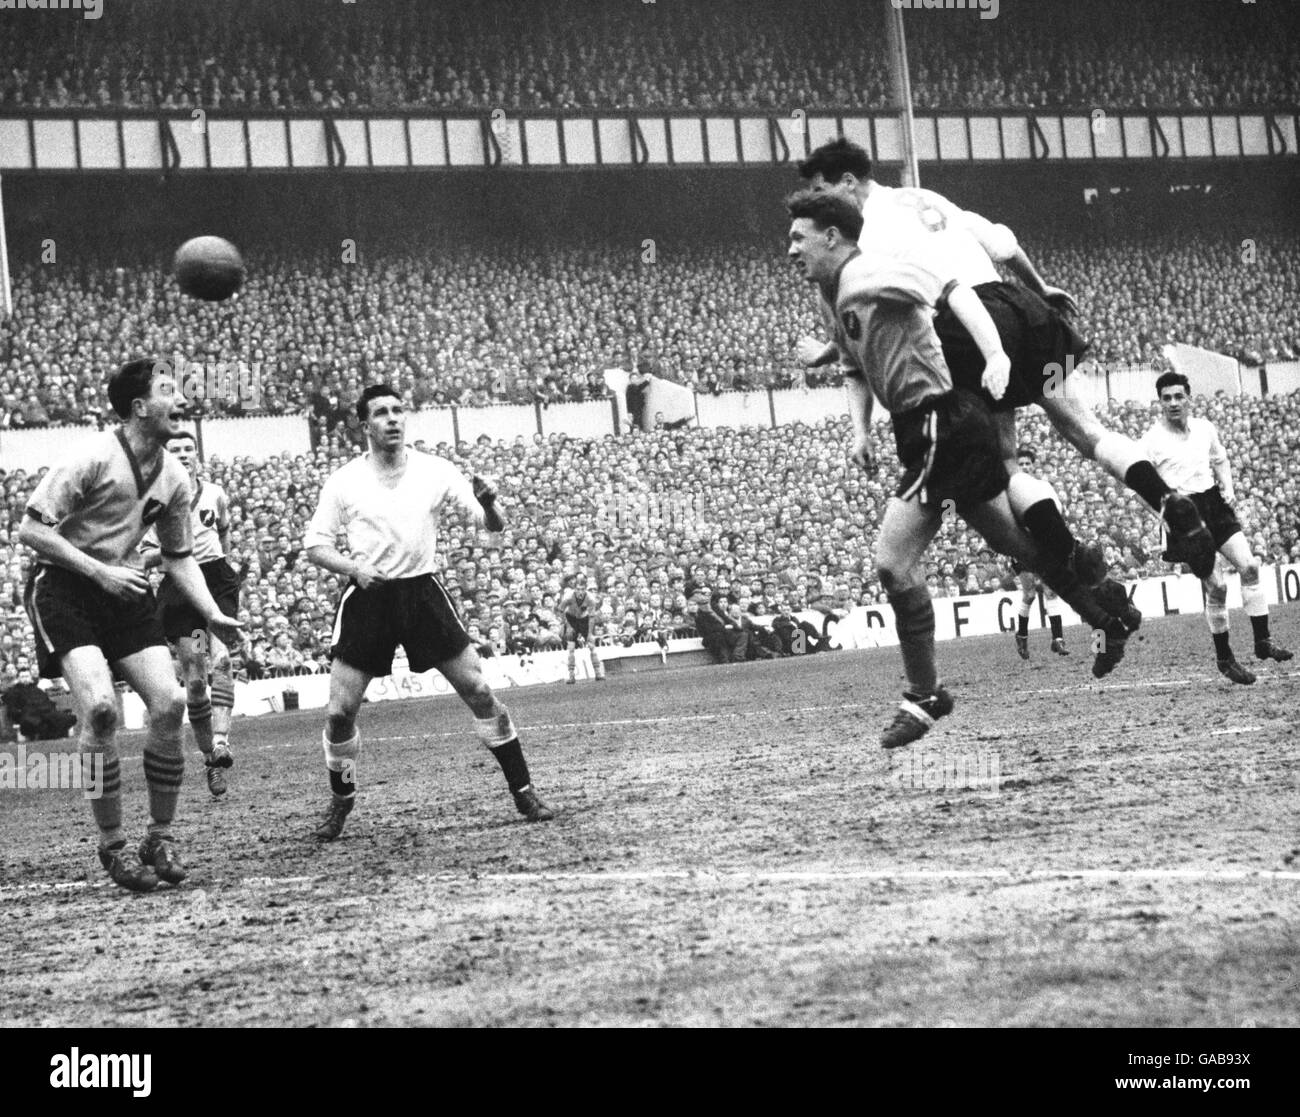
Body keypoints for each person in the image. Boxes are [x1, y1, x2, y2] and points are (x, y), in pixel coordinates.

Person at [785, 190, 1135, 749]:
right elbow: (853, 361)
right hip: (921, 428)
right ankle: (1104, 608)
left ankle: (925, 693)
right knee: (1021, 548)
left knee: (892, 564)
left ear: (833, 237)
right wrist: (858, 429)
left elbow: (952, 292)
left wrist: (995, 354)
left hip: (941, 425)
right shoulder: (834, 294)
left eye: (799, 237)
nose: (790, 249)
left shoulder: (873, 271)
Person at [794, 137, 1216, 580]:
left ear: (847, 181)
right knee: (1087, 430)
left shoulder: (866, 238)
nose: (821, 204)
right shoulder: (923, 197)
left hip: (967, 322)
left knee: (1006, 460)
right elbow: (1001, 242)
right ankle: (1167, 499)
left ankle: (1074, 560)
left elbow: (868, 316)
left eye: (824, 192)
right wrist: (1041, 287)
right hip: (1019, 306)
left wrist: (826, 353)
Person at [18, 358, 243, 892]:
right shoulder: (92, 456)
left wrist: (210, 611)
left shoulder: (176, 475)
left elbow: (178, 555)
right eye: (169, 391)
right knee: (98, 710)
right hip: (65, 588)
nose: (183, 398)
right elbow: (31, 530)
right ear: (139, 407)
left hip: (123, 593)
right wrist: (100, 571)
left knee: (169, 705)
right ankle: (113, 846)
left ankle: (158, 837)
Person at [303, 384, 554, 841]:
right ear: (365, 425)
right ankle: (341, 800)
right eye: (381, 413)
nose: (393, 419)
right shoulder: (344, 481)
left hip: (422, 593)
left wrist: (491, 502)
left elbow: (490, 527)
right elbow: (315, 546)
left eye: (399, 410)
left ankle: (524, 789)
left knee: (479, 690)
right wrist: (354, 568)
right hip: (368, 597)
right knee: (339, 713)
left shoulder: (435, 470)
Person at [1140, 372, 1293, 684]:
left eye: (1178, 396)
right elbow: (1138, 489)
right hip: (1184, 514)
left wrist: (1229, 488)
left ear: (1189, 398)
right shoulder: (1150, 441)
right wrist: (1165, 514)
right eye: (1166, 398)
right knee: (1218, 587)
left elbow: (1220, 459)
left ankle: (1262, 641)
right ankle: (1225, 659)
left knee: (1250, 566)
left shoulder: (1205, 428)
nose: (1173, 403)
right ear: (1159, 402)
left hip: (1213, 503)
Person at [140, 430, 240, 797]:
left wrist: (220, 562)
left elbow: (224, 535)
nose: (183, 454)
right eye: (176, 449)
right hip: (182, 589)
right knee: (196, 678)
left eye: (189, 449)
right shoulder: (159, 501)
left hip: (214, 581)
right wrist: (175, 551)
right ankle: (211, 757)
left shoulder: (215, 494)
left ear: (198, 456)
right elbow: (147, 556)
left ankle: (222, 739)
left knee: (224, 660)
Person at [1008, 448, 1069, 659]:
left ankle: (1058, 640)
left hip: (1043, 543)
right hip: (1020, 545)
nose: (1025, 467)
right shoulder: (1009, 490)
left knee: (1050, 590)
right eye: (1021, 464)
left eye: (1028, 464)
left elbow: (1057, 510)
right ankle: (1022, 635)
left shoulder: (1043, 486)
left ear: (1033, 466)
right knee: (1030, 593)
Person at [559, 577, 605, 683]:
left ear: (585, 589)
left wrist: (589, 633)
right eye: (578, 589)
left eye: (582, 589)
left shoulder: (591, 599)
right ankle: (571, 675)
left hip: (584, 619)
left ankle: (598, 673)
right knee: (571, 647)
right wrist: (568, 626)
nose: (580, 592)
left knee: (591, 645)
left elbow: (592, 617)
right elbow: (561, 610)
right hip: (571, 618)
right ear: (574, 589)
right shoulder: (568, 597)